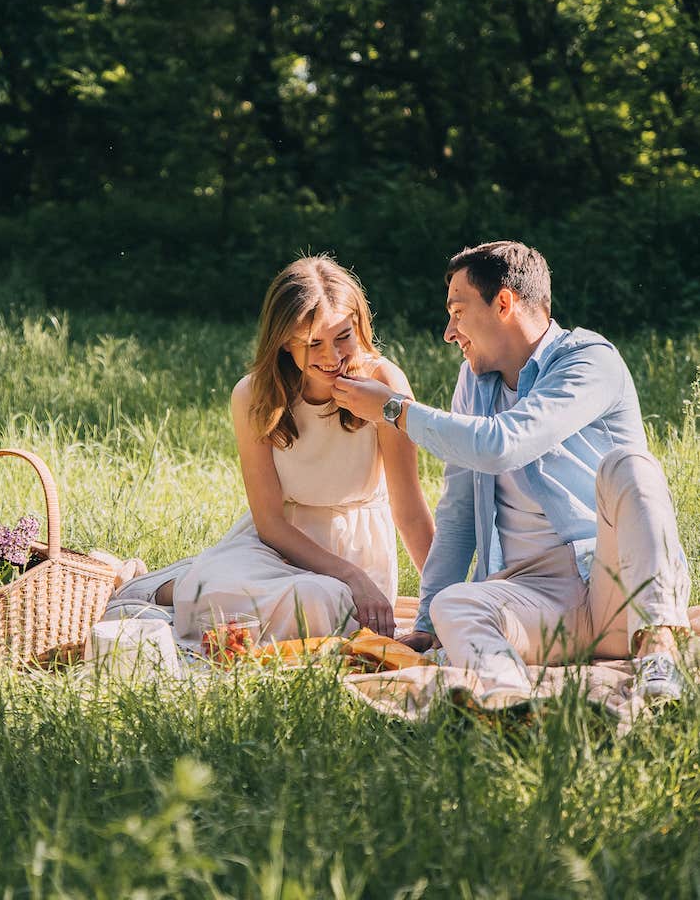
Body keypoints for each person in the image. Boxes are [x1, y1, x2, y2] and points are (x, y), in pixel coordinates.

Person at [332, 240, 691, 703]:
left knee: (632, 467)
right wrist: (424, 625)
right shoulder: (472, 382)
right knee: (452, 605)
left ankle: (657, 650)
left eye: (458, 311)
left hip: (614, 584)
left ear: (503, 303)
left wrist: (396, 411)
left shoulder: (589, 361)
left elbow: (505, 444)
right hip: (536, 602)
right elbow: (459, 513)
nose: (448, 331)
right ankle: (513, 700)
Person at [104, 254, 435, 641]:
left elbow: (409, 510)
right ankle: (167, 586)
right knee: (267, 597)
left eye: (343, 336)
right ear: (284, 344)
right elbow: (270, 523)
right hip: (277, 546)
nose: (333, 357)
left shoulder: (384, 385)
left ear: (359, 326)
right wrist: (352, 577)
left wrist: (438, 603)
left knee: (322, 604)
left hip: (356, 553)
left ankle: (197, 579)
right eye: (314, 343)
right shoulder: (254, 395)